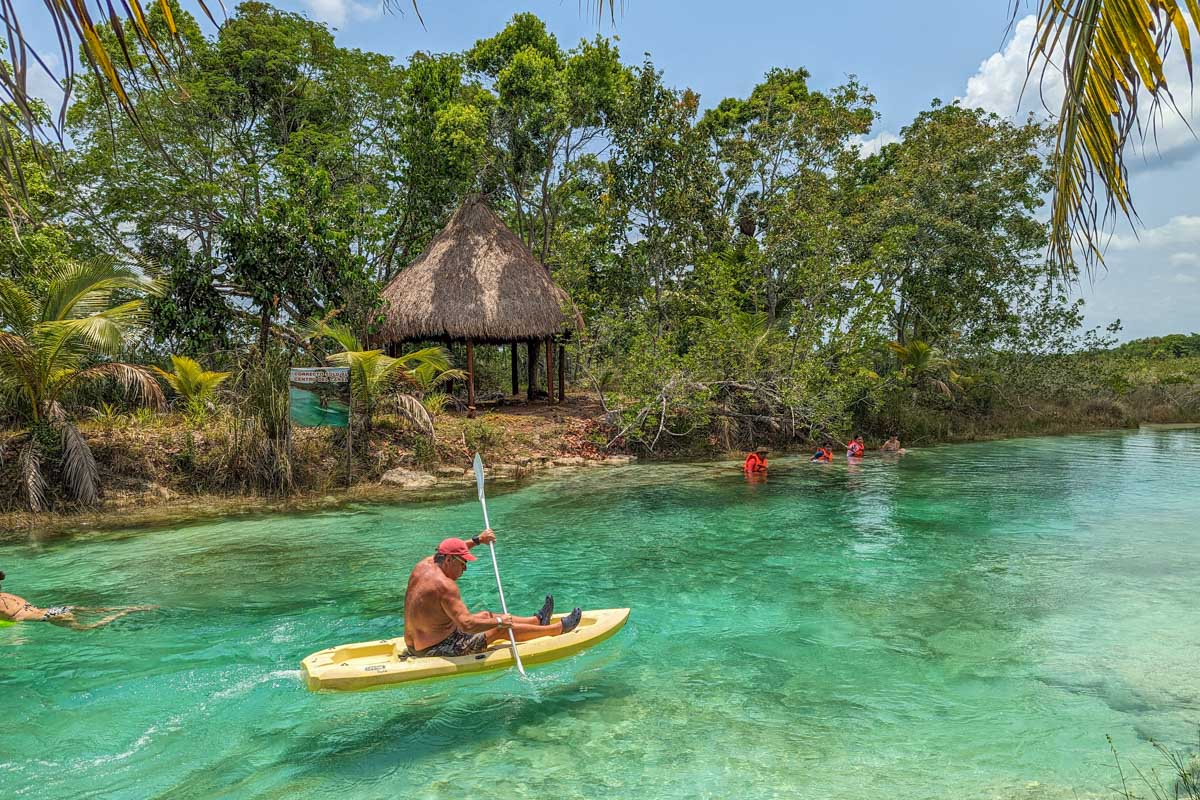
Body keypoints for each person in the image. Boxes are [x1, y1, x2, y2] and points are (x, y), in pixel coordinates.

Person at [403, 531, 582, 658]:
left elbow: (454, 548)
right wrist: (499, 622)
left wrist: (478, 540)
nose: (465, 569)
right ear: (449, 560)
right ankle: (557, 629)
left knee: (485, 615)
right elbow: (466, 625)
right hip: (435, 648)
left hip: (417, 642)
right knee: (500, 628)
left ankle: (537, 621)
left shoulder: (425, 565)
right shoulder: (445, 586)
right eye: (463, 564)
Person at [0, 571, 153, 630]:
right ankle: (134, 607)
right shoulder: (8, 595)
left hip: (49, 617)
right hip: (55, 609)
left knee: (89, 628)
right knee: (100, 610)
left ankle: (124, 612)